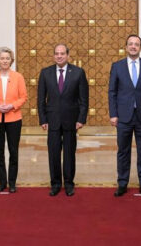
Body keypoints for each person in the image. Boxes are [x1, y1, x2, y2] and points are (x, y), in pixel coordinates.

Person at [109, 34, 141, 197]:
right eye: (130, 44)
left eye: (136, 44)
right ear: (126, 47)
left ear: (140, 48)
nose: (133, 46)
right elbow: (112, 92)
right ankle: (122, 183)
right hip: (123, 117)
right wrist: (113, 114)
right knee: (123, 151)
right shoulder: (117, 66)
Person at [38, 44, 89, 196]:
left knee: (69, 153)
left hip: (71, 120)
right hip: (52, 120)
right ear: (53, 56)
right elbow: (41, 99)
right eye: (56, 54)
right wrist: (43, 119)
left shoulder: (78, 73)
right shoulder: (45, 73)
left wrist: (81, 119)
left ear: (67, 55)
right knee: (53, 153)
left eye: (62, 53)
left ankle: (68, 183)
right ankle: (55, 184)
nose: (59, 56)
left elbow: (84, 99)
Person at [0, 47, 28, 193]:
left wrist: (12, 106)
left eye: (7, 58)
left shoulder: (18, 77)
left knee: (13, 151)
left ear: (11, 60)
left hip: (14, 118)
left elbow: (23, 97)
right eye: (2, 58)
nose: (5, 61)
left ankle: (12, 182)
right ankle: (2, 182)